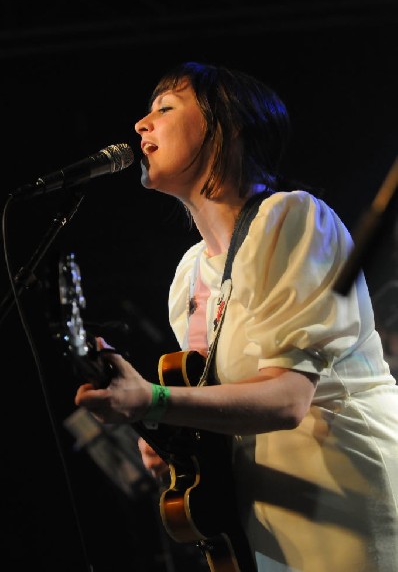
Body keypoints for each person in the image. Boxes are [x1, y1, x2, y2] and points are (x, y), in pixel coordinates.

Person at [74, 61, 398, 571]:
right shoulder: (189, 275)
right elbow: (224, 410)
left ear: (228, 125)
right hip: (263, 520)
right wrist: (171, 429)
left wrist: (156, 399)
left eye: (165, 108)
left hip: (344, 498)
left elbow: (289, 399)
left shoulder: (293, 217)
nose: (141, 124)